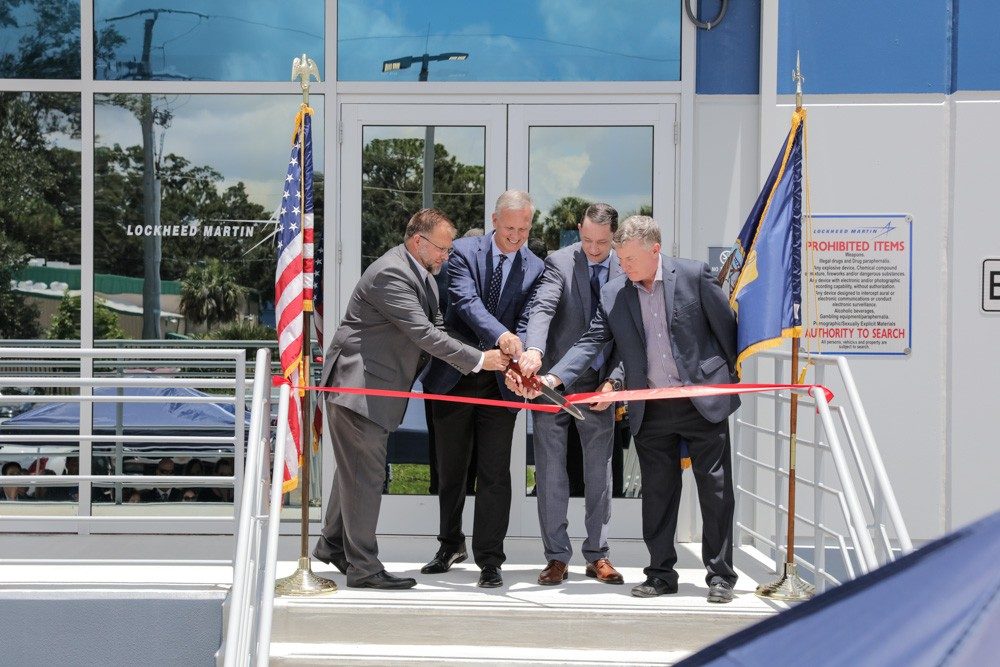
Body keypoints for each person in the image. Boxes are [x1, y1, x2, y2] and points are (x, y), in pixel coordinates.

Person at [509, 215, 740, 603]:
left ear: (655, 250)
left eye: (631, 259)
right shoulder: (616, 292)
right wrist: (554, 379)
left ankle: (719, 576)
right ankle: (661, 573)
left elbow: (727, 329)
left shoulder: (694, 275)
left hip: (701, 403)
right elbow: (592, 340)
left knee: (715, 492)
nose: (625, 266)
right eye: (623, 258)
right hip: (650, 407)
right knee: (658, 493)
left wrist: (723, 379)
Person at [312, 208, 510, 590]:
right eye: (442, 248)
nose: (446, 257)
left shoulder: (425, 276)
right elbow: (423, 334)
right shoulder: (392, 273)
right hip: (359, 389)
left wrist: (488, 354)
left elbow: (436, 328)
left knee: (353, 474)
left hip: (372, 390)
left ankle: (333, 545)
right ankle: (364, 569)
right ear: (419, 242)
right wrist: (480, 361)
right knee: (366, 478)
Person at [420, 190, 545, 589]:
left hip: (500, 384)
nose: (516, 236)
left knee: (495, 474)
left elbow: (529, 317)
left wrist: (519, 346)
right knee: (451, 468)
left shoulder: (536, 267)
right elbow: (466, 301)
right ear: (494, 220)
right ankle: (449, 544)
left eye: (524, 229)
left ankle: (490, 559)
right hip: (455, 374)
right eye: (510, 228)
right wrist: (502, 335)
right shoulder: (462, 252)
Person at [517, 203, 625, 586]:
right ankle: (556, 557)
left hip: (600, 385)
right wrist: (534, 352)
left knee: (599, 473)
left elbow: (630, 338)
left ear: (614, 235)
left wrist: (614, 382)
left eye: (602, 242)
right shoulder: (558, 262)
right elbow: (543, 308)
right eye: (587, 239)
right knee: (550, 472)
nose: (594, 249)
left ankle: (598, 555)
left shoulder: (626, 266)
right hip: (552, 383)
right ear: (579, 229)